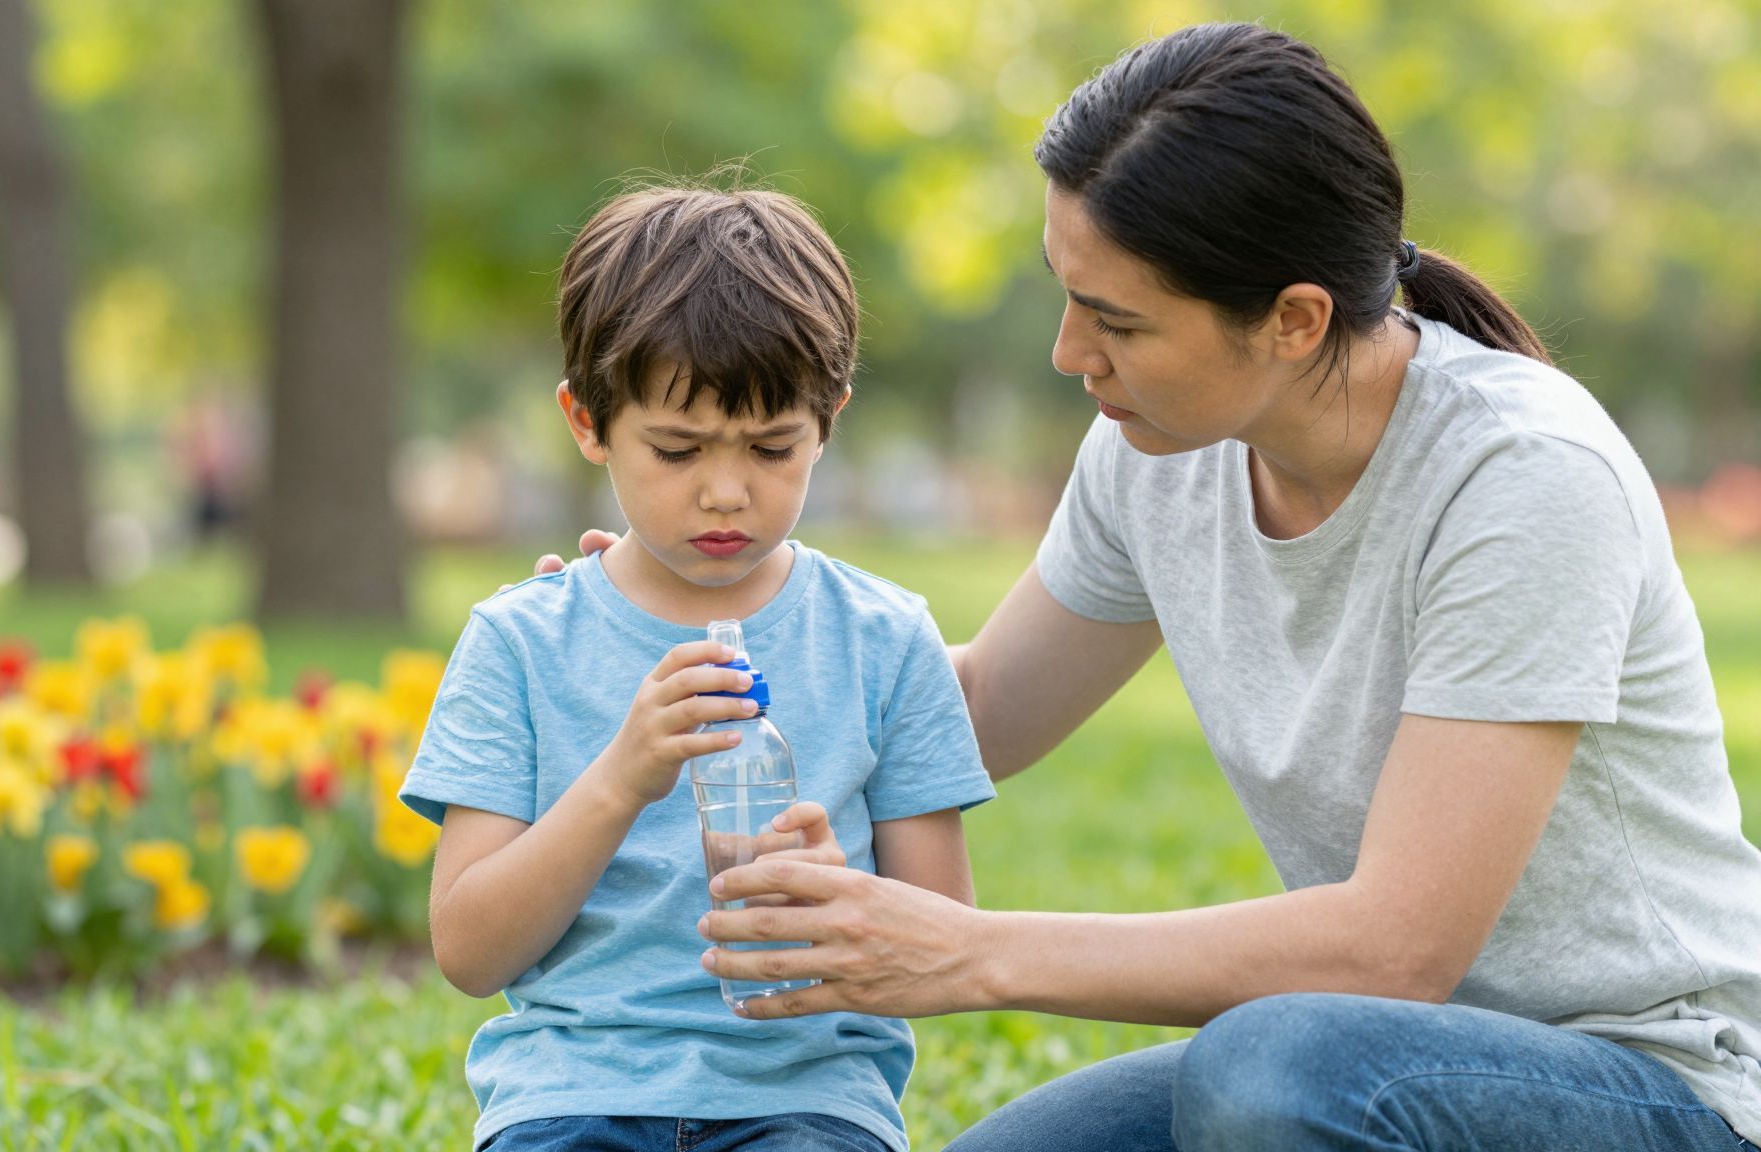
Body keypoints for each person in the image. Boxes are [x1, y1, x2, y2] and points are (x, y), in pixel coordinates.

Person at [542, 23, 1761, 1151]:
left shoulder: (1521, 479)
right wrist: (672, 638)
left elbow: (1395, 952)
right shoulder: (1153, 455)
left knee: (1274, 1070)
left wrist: (967, 953)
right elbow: (960, 708)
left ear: (1291, 321)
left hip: (1651, 1079)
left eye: (1111, 320)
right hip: (1362, 1050)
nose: (1070, 356)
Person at [401, 182, 997, 1152]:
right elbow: (468, 950)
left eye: (772, 447)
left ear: (829, 420)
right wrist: (621, 777)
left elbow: (943, 945)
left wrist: (840, 895)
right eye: (675, 450)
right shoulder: (519, 644)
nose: (726, 493)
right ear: (586, 421)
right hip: (569, 1100)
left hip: (805, 1104)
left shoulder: (884, 640)